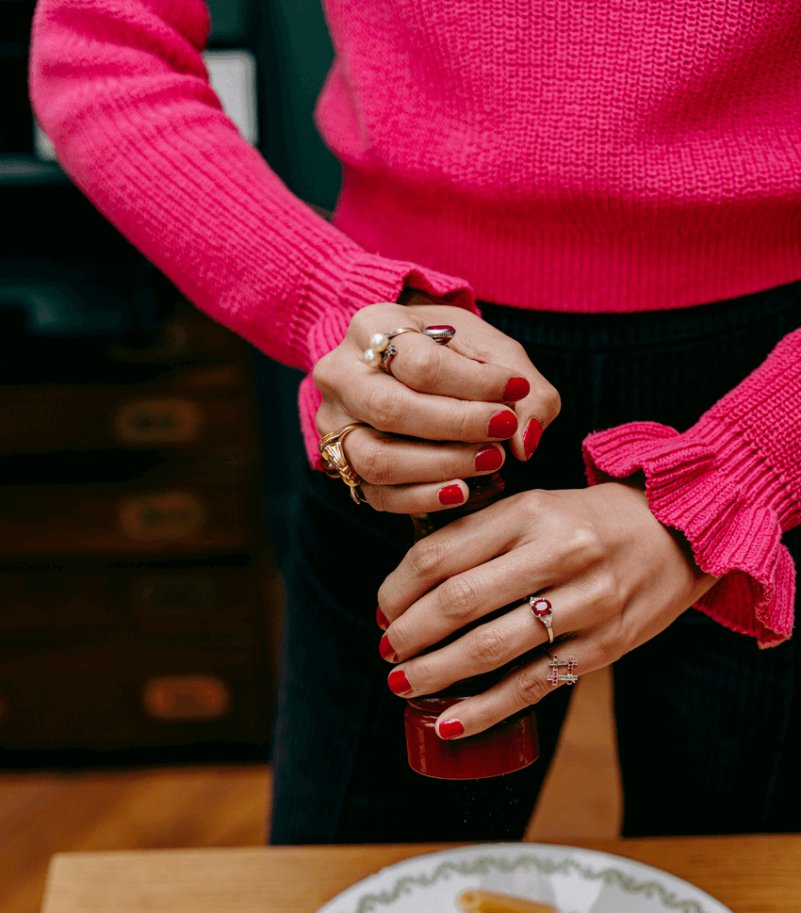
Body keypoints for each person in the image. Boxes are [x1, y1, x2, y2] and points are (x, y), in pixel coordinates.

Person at [30, 0, 801, 841]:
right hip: (403, 377)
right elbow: (100, 45)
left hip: (771, 386)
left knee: (743, 899)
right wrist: (323, 295)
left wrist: (751, 468)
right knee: (370, 897)